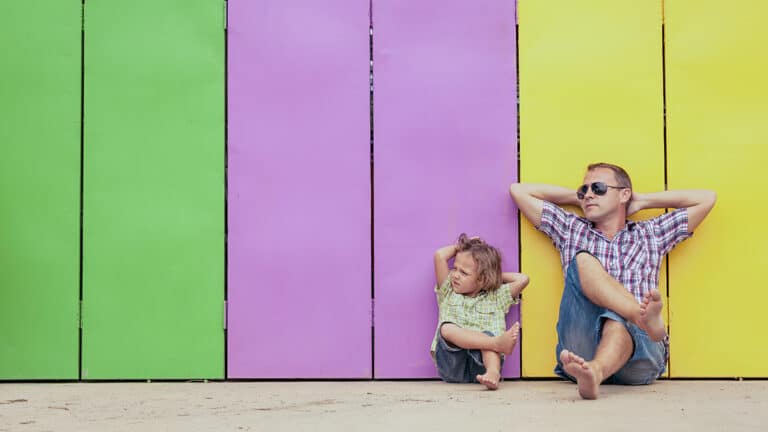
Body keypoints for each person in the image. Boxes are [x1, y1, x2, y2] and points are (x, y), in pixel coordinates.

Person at [509, 162, 716, 399]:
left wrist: (644, 201)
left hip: (641, 354)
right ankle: (635, 321)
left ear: (624, 194)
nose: (588, 194)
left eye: (598, 188)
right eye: (583, 190)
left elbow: (707, 198)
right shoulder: (571, 230)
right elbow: (518, 191)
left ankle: (601, 364)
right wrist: (580, 200)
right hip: (582, 349)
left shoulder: (650, 233)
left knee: (616, 318)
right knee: (584, 260)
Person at [432, 233, 530, 390]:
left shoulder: (496, 297)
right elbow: (439, 256)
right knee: (447, 328)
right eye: (455, 268)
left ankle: (493, 373)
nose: (455, 275)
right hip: (452, 365)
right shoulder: (448, 291)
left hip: (483, 364)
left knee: (486, 335)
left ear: (482, 280)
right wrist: (461, 247)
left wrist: (492, 277)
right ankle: (496, 344)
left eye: (463, 273)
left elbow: (523, 279)